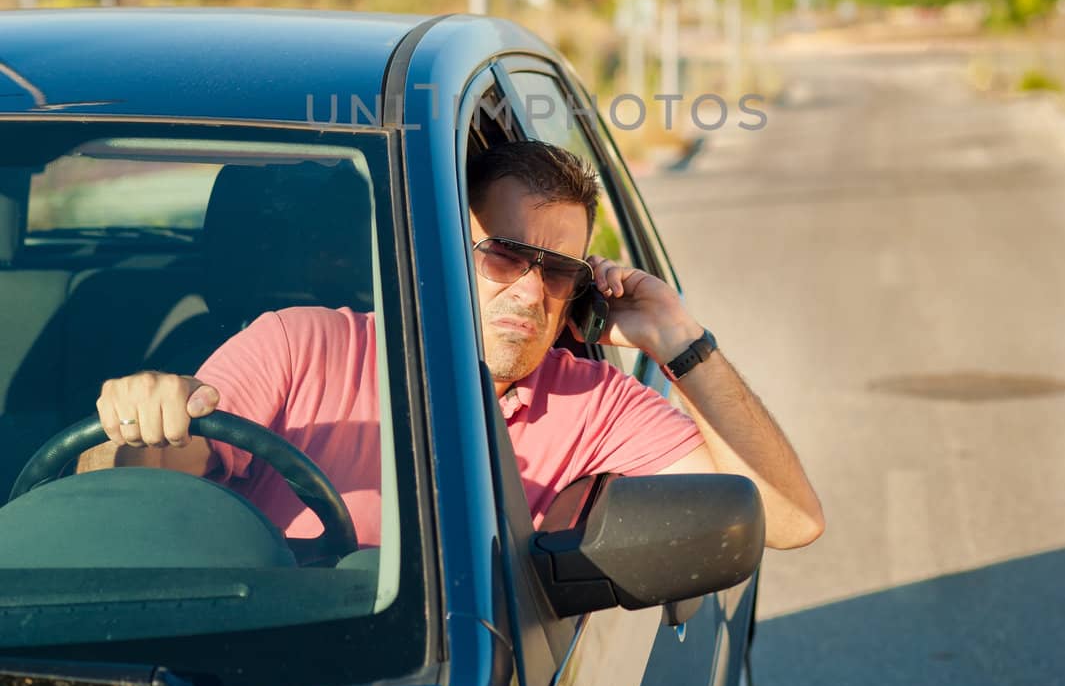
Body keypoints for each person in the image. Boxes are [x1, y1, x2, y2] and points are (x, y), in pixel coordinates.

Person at [78, 142, 824, 551]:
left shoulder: (591, 403)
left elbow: (790, 522)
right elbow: (142, 478)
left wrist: (681, 343)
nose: (531, 292)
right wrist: (145, 418)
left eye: (560, 271)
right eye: (502, 256)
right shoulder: (297, 344)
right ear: (435, 251)